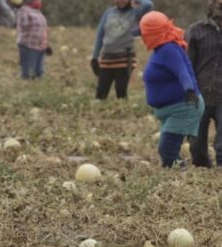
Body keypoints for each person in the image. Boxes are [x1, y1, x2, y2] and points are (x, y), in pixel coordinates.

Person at [140, 11, 205, 168]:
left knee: (167, 149)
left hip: (183, 107)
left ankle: (180, 180)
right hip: (172, 109)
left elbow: (182, 71)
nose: (143, 37)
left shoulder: (169, 49)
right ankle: (173, 180)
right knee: (168, 150)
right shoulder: (162, 48)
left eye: (145, 33)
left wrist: (189, 89)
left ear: (153, 33)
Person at [91, 0, 154, 100]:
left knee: (121, 91)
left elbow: (148, 4)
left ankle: (122, 112)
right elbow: (100, 34)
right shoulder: (109, 12)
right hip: (107, 58)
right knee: (101, 92)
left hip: (124, 59)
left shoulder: (134, 12)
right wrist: (94, 57)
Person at [186, 0, 222, 168]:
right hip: (200, 95)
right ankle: (203, 171)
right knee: (196, 146)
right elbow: (187, 64)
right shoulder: (196, 30)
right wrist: (188, 91)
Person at [16, 0, 51, 80]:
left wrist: (46, 44)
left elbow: (44, 29)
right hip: (29, 45)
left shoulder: (38, 12)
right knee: (29, 68)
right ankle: (26, 78)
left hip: (41, 46)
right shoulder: (24, 11)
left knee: (39, 69)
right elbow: (24, 25)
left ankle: (38, 77)